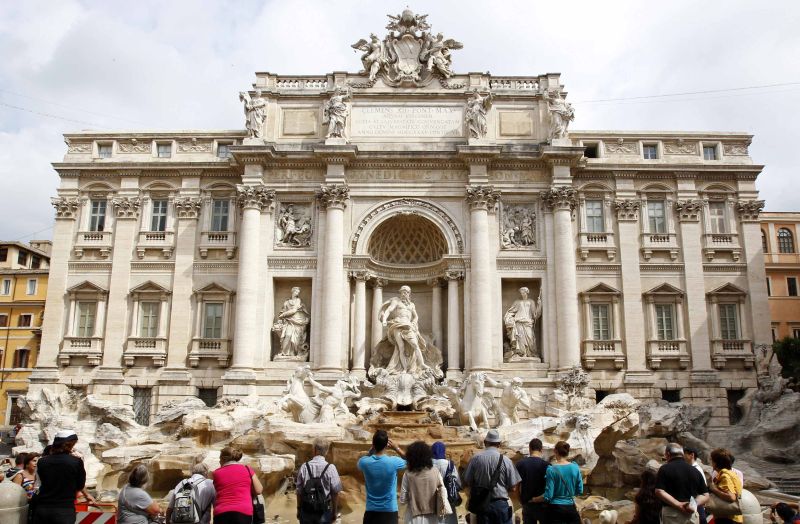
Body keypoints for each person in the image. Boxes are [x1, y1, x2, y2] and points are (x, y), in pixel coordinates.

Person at [463, 429, 521, 524]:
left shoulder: (475, 459)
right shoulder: (506, 461)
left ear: (485, 442)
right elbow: (514, 487)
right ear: (499, 444)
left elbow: (467, 481)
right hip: (500, 505)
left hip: (481, 504)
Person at [33, 430, 88, 524]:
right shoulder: (76, 462)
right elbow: (80, 485)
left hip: (43, 509)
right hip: (64, 510)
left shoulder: (41, 461)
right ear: (70, 444)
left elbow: (38, 485)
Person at [357, 430, 407, 524]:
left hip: (370, 512)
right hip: (389, 511)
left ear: (373, 444)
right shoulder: (394, 462)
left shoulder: (364, 462)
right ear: (387, 445)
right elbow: (411, 460)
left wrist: (370, 452)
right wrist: (396, 448)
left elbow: (361, 461)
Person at [655, 443, 709, 524]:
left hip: (672, 515)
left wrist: (678, 504)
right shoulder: (695, 470)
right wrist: (693, 504)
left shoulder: (664, 469)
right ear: (682, 454)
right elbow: (705, 495)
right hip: (692, 516)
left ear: (667, 454)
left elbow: (659, 491)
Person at [530, 441, 582, 524]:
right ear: (567, 452)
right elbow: (580, 490)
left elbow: (548, 496)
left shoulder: (551, 470)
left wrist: (534, 499)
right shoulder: (575, 467)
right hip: (570, 508)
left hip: (555, 510)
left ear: (555, 451)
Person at [296, 438, 343, 524]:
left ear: (314, 450)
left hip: (306, 510)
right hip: (324, 511)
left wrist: (299, 510)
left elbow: (299, 491)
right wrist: (334, 512)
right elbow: (335, 492)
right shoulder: (331, 468)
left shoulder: (304, 467)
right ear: (326, 451)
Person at [213, 446, 263, 524]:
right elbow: (259, 490)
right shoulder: (247, 469)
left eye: (220, 459)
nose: (219, 461)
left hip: (221, 512)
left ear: (224, 459)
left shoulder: (216, 473)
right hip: (243, 511)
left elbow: (215, 493)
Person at [400, 441, 445, 524]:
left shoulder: (408, 474)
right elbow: (442, 493)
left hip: (413, 517)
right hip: (433, 517)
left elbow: (403, 500)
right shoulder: (435, 472)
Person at [515, 438, 549, 524]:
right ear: (541, 450)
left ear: (529, 448)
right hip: (543, 505)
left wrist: (521, 501)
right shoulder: (547, 466)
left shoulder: (520, 464)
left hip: (527, 504)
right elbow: (550, 489)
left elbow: (516, 487)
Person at [707, 448, 743, 524]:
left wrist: (713, 489)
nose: (711, 463)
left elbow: (731, 497)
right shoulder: (731, 473)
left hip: (727, 518)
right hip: (732, 517)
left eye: (712, 461)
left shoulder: (725, 476)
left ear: (716, 463)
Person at [432, 442, 460, 524]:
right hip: (448, 498)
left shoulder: (428, 464)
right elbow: (458, 482)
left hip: (432, 498)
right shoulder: (450, 464)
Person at [684, 448, 708, 524]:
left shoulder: (696, 469)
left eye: (684, 454)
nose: (682, 456)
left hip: (696, 501)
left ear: (692, 455)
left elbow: (703, 488)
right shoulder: (691, 468)